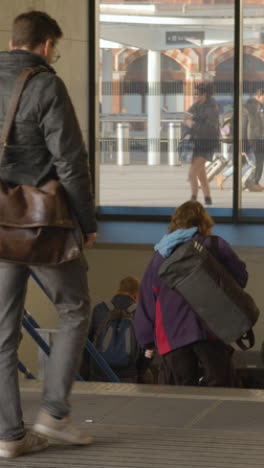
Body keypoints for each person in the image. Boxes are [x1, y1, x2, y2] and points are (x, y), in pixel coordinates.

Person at [0, 11, 97, 458]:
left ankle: (9, 436)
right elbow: (71, 162)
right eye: (55, 48)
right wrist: (87, 221)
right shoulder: (45, 83)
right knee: (75, 307)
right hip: (42, 227)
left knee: (3, 330)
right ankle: (55, 415)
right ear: (44, 45)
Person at [134, 200, 248, 387]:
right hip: (213, 329)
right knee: (220, 391)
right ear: (204, 222)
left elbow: (148, 298)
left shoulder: (162, 253)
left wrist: (146, 340)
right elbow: (241, 278)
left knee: (180, 394)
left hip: (173, 334)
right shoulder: (216, 245)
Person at [80, 276, 154, 383]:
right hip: (128, 374)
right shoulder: (141, 312)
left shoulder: (99, 309)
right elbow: (149, 348)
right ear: (136, 295)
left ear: (118, 291)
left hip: (100, 372)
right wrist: (139, 372)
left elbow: (87, 343)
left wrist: (94, 366)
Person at [185, 83, 220, 206]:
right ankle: (208, 199)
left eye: (196, 93)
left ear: (204, 94)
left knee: (192, 173)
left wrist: (194, 125)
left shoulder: (211, 108)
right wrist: (187, 131)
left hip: (206, 144)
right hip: (196, 143)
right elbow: (186, 119)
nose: (194, 95)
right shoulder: (195, 106)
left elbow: (211, 128)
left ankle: (193, 200)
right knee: (201, 174)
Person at [243, 88, 264, 191]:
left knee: (259, 162)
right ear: (259, 95)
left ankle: (254, 182)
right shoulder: (250, 107)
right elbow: (245, 126)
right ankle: (249, 183)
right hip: (254, 140)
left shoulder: (260, 107)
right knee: (253, 163)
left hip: (259, 139)